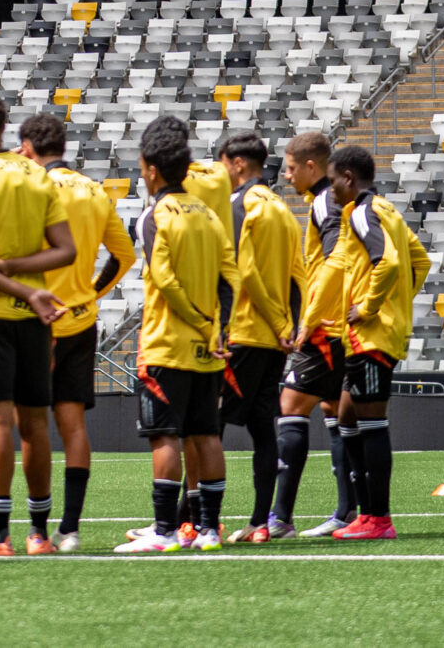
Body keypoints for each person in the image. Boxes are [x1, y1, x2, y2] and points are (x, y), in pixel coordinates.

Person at [0, 91, 71, 557]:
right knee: (35, 424)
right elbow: (65, 249)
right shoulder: (34, 172)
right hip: (35, 317)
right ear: (6, 127)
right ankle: (39, 533)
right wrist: (20, 267)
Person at [116, 114, 234, 554]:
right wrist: (218, 327)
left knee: (164, 436)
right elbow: (231, 275)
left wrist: (200, 321)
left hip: (167, 343)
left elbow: (164, 281)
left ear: (150, 168)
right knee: (206, 436)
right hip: (209, 348)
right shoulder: (208, 214)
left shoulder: (156, 215)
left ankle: (164, 531)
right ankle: (208, 530)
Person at [26, 110, 134, 552]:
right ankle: (69, 529)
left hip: (36, 319)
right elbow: (123, 256)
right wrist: (91, 291)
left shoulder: (30, 187)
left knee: (28, 424)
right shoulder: (94, 190)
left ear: (28, 149)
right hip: (81, 319)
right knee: (72, 426)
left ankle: (28, 529)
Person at [324, 144, 430, 543]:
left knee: (370, 423)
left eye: (333, 181)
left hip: (370, 334)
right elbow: (420, 261)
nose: (331, 189)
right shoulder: (389, 210)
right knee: (347, 416)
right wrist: (400, 303)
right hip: (381, 331)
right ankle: (362, 512)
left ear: (348, 178)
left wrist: (369, 307)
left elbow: (389, 263)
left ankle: (377, 518)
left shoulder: (360, 213)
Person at [216, 130, 297, 544]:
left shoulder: (241, 204)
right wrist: (290, 325)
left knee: (207, 427)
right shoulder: (283, 208)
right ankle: (260, 523)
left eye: (222, 165)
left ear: (237, 163)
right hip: (274, 340)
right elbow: (297, 275)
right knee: (263, 428)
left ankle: (186, 520)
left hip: (245, 332)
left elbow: (243, 273)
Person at [274, 130, 353, 537]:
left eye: (290, 168)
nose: (286, 177)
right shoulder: (325, 201)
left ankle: (280, 518)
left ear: (310, 166)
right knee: (333, 410)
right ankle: (347, 513)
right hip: (341, 324)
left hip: (327, 326)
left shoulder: (326, 203)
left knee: (290, 405)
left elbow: (336, 262)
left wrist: (311, 319)